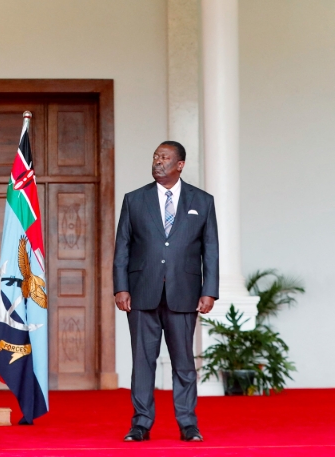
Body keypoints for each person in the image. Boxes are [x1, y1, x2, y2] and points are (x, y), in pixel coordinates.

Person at [113, 141, 218, 443]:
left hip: (184, 293)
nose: (158, 162)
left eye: (165, 158)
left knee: (184, 363)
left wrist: (209, 290)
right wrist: (121, 287)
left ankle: (188, 424)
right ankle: (141, 424)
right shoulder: (134, 200)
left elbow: (210, 249)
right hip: (141, 292)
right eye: (156, 157)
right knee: (143, 362)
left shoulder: (203, 200)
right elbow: (122, 247)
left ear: (180, 164)